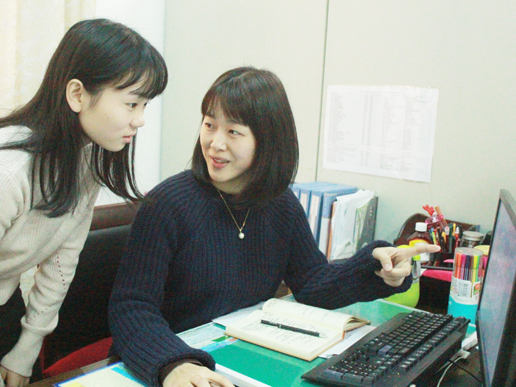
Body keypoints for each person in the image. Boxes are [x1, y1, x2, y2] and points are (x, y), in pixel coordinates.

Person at [108, 67, 439, 387]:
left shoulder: (280, 203)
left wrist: (375, 268)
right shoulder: (167, 204)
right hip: (169, 364)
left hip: (238, 358)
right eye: (209, 125)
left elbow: (312, 283)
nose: (215, 143)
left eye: (233, 132)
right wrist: (174, 366)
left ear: (267, 141)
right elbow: (131, 307)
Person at [0, 19, 167, 387]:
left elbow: (61, 263)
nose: (140, 120)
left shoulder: (85, 160)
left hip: (1, 306)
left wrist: (27, 348)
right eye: (131, 103)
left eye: (144, 105)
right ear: (77, 94)